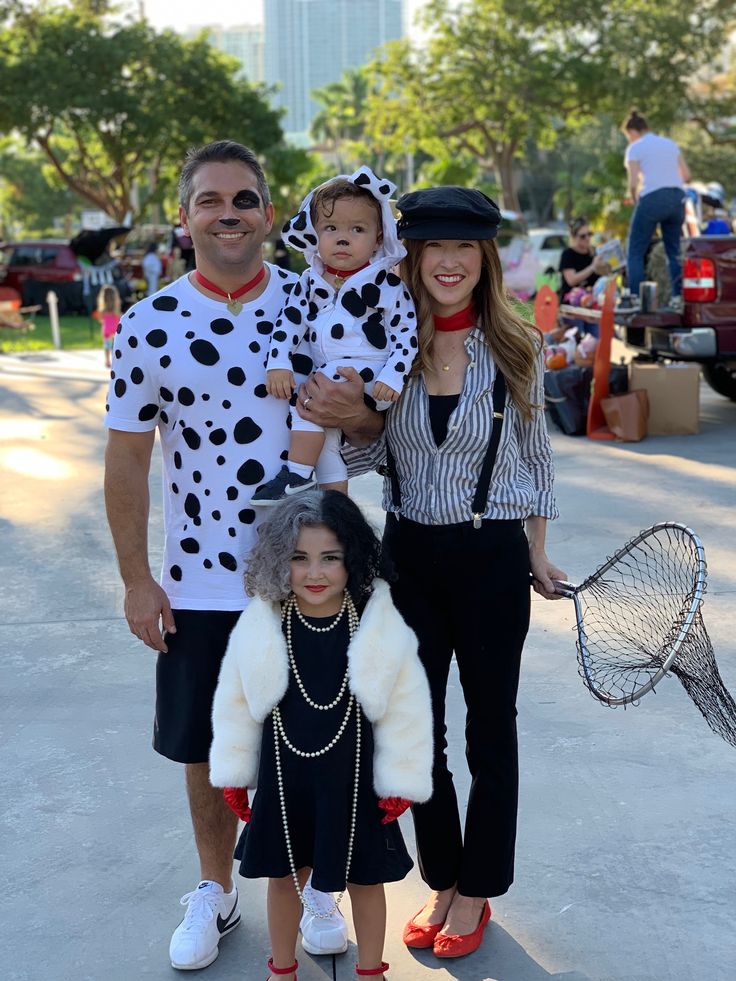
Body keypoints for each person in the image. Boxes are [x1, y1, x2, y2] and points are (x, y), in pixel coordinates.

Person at [297, 185, 566, 960]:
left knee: (492, 730)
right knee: (416, 732)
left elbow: (536, 461)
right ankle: (444, 875)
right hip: (407, 554)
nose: (448, 262)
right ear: (409, 258)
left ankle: (478, 888)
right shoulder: (391, 345)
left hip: (490, 557)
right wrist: (349, 416)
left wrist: (537, 553)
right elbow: (369, 454)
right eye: (432, 248)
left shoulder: (518, 346)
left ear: (484, 258)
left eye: (463, 248)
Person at [103, 140, 345, 971]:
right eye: (211, 200)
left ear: (269, 214)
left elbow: (349, 439)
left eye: (245, 198)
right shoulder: (148, 323)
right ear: (185, 216)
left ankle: (314, 886)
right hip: (199, 581)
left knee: (309, 739)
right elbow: (128, 458)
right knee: (206, 750)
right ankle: (217, 888)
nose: (229, 212)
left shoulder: (315, 309)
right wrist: (139, 579)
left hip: (305, 579)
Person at [209, 490, 433, 981]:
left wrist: (403, 774)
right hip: (284, 778)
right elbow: (235, 698)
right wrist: (234, 769)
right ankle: (282, 970)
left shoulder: (376, 620)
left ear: (352, 556)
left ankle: (372, 970)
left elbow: (407, 701)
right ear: (277, 561)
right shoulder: (265, 620)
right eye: (299, 559)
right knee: (285, 876)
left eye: (330, 558)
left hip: (354, 779)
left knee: (366, 879)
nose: (315, 573)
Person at [250, 167, 417, 504]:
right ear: (315, 235)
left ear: (377, 237)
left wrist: (394, 376)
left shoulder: (386, 284)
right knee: (325, 437)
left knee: (310, 400)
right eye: (331, 228)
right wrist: (278, 362)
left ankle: (296, 474)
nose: (343, 238)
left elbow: (406, 332)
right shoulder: (310, 281)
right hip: (333, 370)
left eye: (357, 229)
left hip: (369, 375)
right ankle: (336, 506)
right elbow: (289, 322)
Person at [622, 109, 691, 309]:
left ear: (632, 132)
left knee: (635, 250)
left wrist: (636, 198)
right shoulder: (670, 144)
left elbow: (633, 183)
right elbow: (686, 175)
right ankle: (678, 297)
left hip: (652, 198)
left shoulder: (635, 148)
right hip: (676, 197)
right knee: (674, 251)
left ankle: (636, 297)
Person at [94, 283, 121, 368]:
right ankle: (115, 361)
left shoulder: (103, 310)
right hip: (116, 329)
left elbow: (100, 319)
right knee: (115, 346)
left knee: (107, 346)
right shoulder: (116, 310)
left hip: (106, 330)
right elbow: (120, 318)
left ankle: (107, 361)